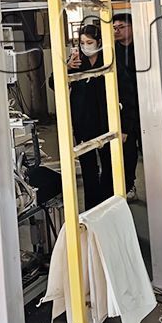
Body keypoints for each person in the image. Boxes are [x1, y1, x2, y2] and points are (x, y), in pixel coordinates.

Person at [52, 23, 111, 210]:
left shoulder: (108, 60)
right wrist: (67, 68)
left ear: (99, 42)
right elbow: (53, 82)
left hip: (106, 121)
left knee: (110, 166)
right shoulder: (75, 62)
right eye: (82, 43)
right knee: (88, 168)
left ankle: (108, 205)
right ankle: (92, 209)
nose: (86, 46)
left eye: (90, 42)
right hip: (83, 122)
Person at [113, 13, 140, 199]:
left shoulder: (142, 48)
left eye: (121, 27)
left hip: (144, 104)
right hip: (123, 107)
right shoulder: (111, 52)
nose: (116, 31)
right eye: (114, 28)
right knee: (127, 148)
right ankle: (129, 184)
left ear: (131, 28)